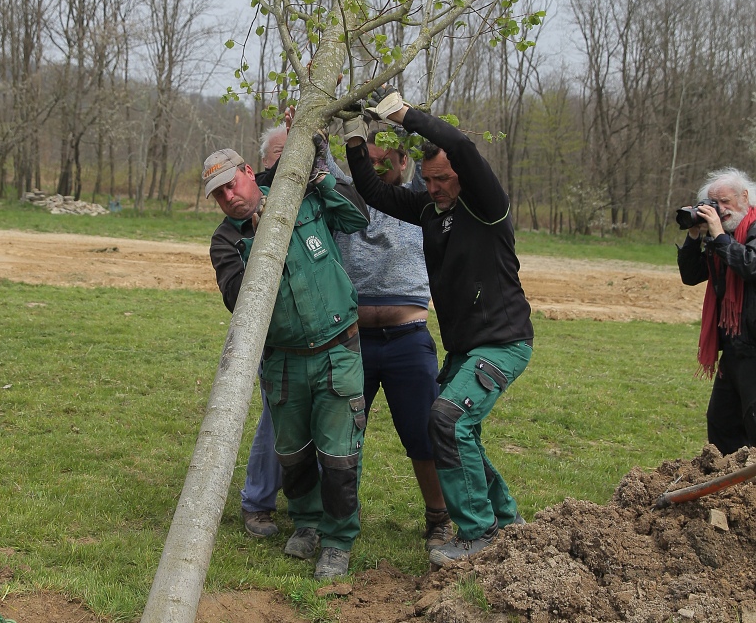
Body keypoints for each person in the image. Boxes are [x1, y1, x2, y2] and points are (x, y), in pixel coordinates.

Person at [343, 88, 533, 566]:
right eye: (428, 181)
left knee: (446, 421)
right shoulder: (430, 211)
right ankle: (507, 522)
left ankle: (476, 534)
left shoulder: (484, 206)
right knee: (457, 430)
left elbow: (464, 149)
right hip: (465, 351)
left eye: (444, 179)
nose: (435, 188)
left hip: (503, 343)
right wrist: (353, 138)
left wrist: (403, 115)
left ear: (461, 178)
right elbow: (374, 191)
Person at [206, 142, 369, 580]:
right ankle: (307, 522)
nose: (229, 196)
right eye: (218, 195)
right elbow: (239, 300)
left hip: (337, 346)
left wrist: (320, 175)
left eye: (231, 184)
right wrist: (260, 241)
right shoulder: (227, 239)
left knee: (338, 455)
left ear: (247, 171)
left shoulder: (297, 194)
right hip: (283, 359)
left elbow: (358, 217)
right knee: (293, 452)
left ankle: (337, 541)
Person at [327, 128, 450, 551]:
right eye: (370, 159)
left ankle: (439, 518)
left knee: (424, 432)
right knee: (342, 434)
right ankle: (339, 519)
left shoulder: (418, 201)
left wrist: (395, 113)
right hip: (353, 341)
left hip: (407, 341)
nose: (376, 167)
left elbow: (424, 147)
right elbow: (320, 157)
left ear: (403, 161)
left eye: (386, 160)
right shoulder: (345, 194)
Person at [677, 169, 756, 453]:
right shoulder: (720, 235)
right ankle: (729, 490)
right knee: (721, 423)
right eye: (712, 203)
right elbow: (691, 275)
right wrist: (694, 236)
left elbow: (750, 266)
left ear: (744, 197)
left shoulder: (751, 227)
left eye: (724, 202)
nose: (718, 209)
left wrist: (720, 237)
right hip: (733, 345)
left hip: (754, 346)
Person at [238, 123, 289, 538]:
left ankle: (321, 507)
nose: (287, 165)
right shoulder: (234, 229)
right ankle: (258, 501)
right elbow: (238, 296)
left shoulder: (317, 203)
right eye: (278, 157)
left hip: (327, 337)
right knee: (276, 419)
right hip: (278, 341)